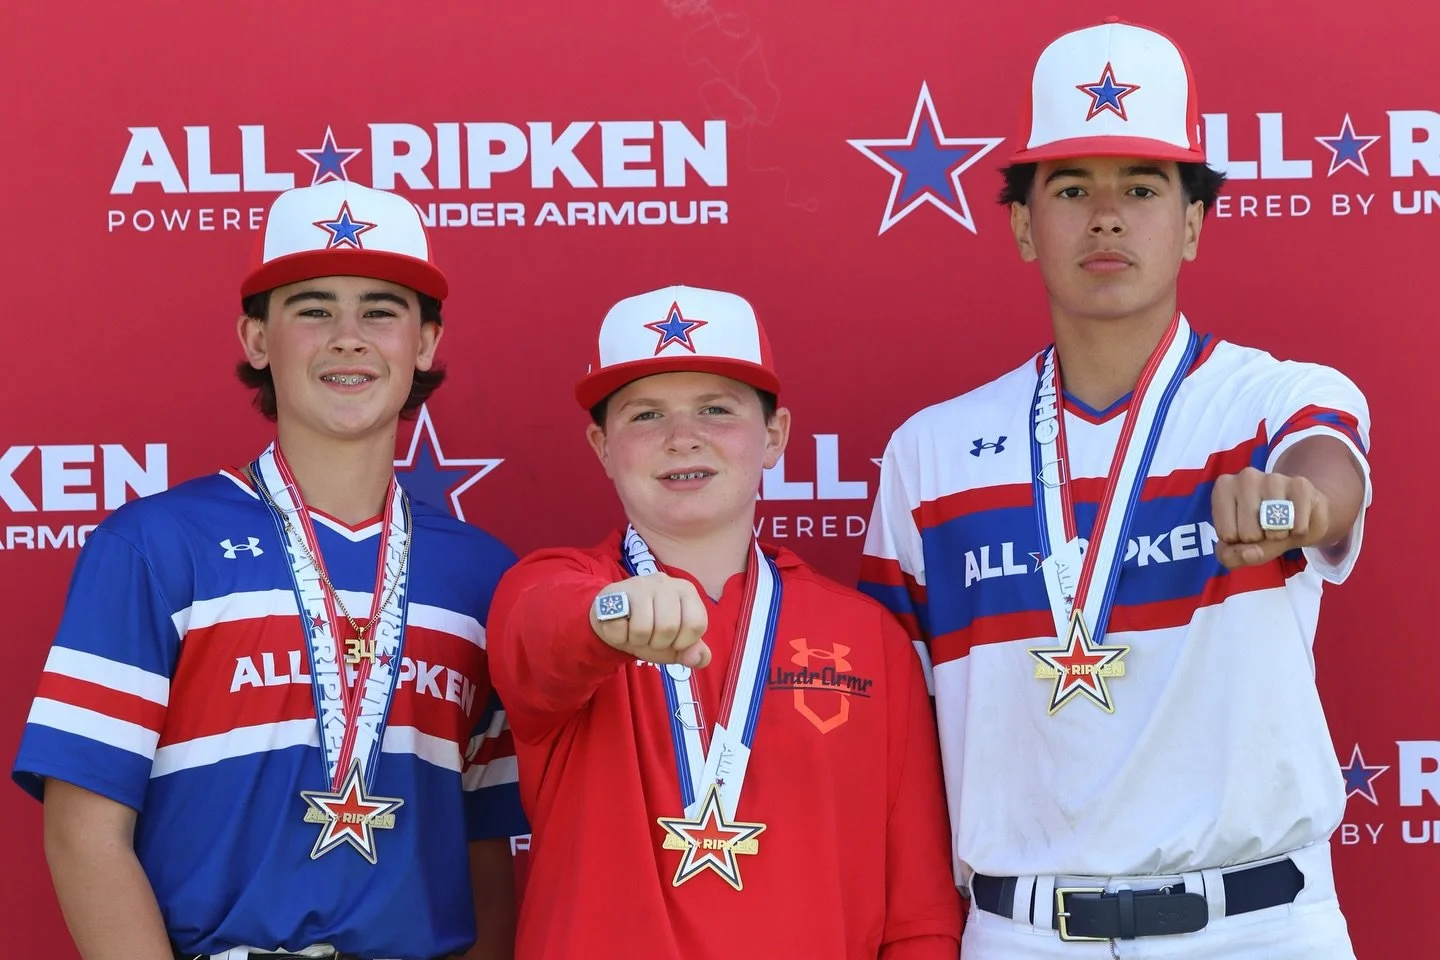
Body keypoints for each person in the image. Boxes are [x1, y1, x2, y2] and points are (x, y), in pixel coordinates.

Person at [861, 18, 1371, 960]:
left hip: (1257, 929)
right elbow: (889, 731)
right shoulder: (928, 455)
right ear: (1022, 223)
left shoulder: (1273, 401)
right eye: (1071, 188)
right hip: (1021, 932)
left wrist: (1293, 505)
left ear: (1191, 223)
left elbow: (1325, 475)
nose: (1106, 216)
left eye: (1141, 187)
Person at [12, 180, 527, 960]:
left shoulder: (484, 577)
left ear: (423, 343)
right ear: (257, 339)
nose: (348, 337)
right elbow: (83, 829)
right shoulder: (156, 544)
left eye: (381, 310)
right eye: (313, 308)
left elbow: (485, 844)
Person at [485, 284, 963, 959]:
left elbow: (919, 910)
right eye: (646, 415)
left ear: (774, 436)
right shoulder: (552, 588)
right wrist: (609, 616)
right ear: (601, 445)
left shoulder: (867, 634)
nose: (684, 439)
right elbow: (541, 637)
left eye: (716, 410)